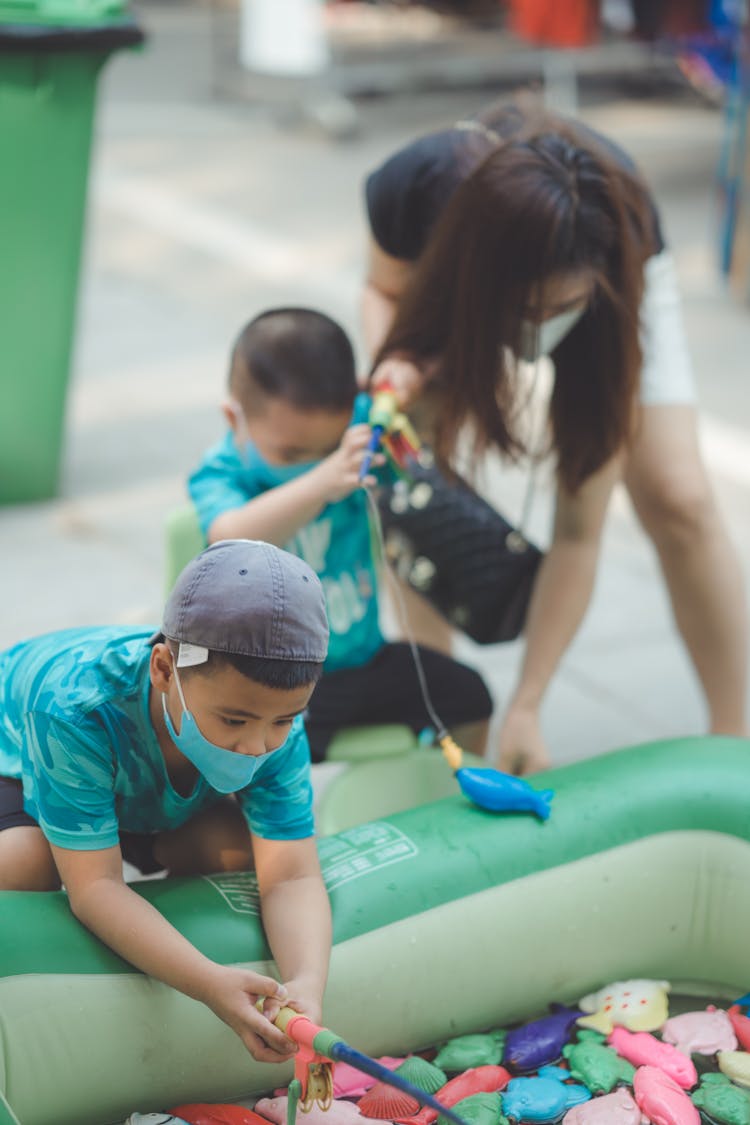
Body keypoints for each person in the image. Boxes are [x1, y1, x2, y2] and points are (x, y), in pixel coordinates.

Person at [362, 97, 748, 776]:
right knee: (402, 474)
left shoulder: (610, 264)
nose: (539, 332)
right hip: (462, 295)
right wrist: (393, 365)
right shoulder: (412, 185)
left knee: (677, 495)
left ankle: (735, 736)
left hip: (618, 276)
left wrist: (531, 701)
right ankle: (450, 718)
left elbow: (579, 531)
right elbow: (382, 287)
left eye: (558, 310)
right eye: (528, 313)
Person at [0, 539, 332, 1063]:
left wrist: (307, 985)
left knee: (239, 855)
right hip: (21, 757)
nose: (257, 746)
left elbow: (291, 876)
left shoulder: (274, 731)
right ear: (163, 669)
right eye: (234, 720)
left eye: (283, 720)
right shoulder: (73, 709)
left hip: (137, 785)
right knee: (25, 866)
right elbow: (95, 889)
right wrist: (207, 983)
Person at [187, 306, 493, 762]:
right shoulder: (223, 474)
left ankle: (453, 792)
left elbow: (434, 414)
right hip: (276, 680)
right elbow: (229, 536)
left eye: (328, 448)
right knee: (245, 758)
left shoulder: (359, 432)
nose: (313, 460)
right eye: (291, 451)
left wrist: (400, 389)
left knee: (470, 697)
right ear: (235, 420)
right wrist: (322, 480)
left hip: (364, 659)